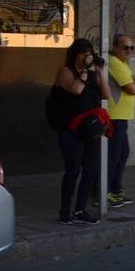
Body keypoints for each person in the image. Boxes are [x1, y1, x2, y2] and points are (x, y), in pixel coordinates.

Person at [47, 39, 111, 225]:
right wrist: (84, 70)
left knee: (91, 169)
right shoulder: (65, 71)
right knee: (73, 170)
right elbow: (76, 89)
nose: (86, 57)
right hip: (69, 130)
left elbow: (106, 94)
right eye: (83, 54)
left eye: (89, 54)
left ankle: (81, 209)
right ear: (75, 55)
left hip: (90, 128)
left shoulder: (91, 74)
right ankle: (65, 211)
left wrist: (99, 71)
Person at [106, 33, 135, 207]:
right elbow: (133, 88)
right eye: (124, 47)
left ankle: (115, 190)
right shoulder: (114, 62)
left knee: (122, 154)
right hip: (115, 117)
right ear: (115, 47)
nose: (128, 51)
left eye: (131, 48)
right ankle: (105, 193)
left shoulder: (123, 64)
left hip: (122, 117)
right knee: (114, 156)